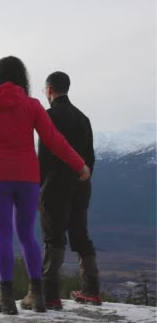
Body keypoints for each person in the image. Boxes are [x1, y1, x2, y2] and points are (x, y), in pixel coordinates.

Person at [0, 56, 91, 315]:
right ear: (22, 78)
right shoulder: (32, 105)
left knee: (3, 236)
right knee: (27, 236)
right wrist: (79, 164)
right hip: (28, 179)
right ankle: (36, 295)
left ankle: (6, 297)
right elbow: (55, 140)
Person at [39, 71, 100, 310]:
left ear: (50, 90)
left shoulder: (48, 116)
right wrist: (83, 179)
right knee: (80, 235)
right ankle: (91, 291)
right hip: (81, 185)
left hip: (55, 186)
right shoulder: (83, 118)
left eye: (45, 90)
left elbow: (44, 156)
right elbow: (91, 158)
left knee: (53, 238)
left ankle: (50, 296)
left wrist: (37, 187)